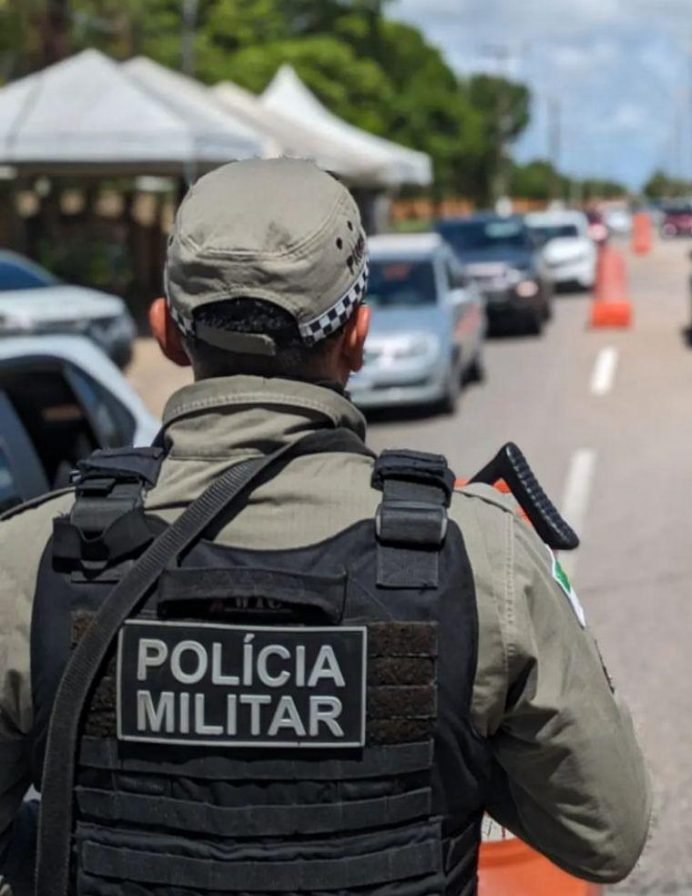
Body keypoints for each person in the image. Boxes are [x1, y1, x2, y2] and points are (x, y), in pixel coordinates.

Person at [0, 158, 650, 896]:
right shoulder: (480, 557)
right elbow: (608, 837)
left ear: (167, 335)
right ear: (358, 338)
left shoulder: (31, 560)